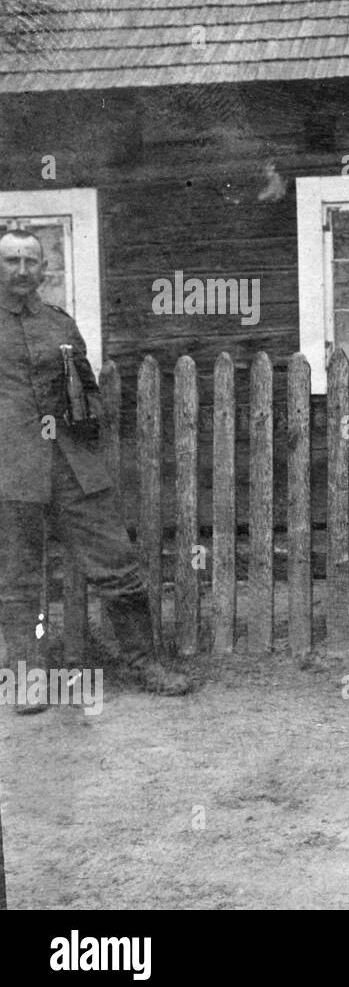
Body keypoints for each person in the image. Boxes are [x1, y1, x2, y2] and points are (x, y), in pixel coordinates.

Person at [0, 229, 192, 710]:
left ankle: (146, 663)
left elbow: (85, 394)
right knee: (19, 579)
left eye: (30, 261)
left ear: (44, 270)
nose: (21, 270)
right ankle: (27, 679)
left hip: (70, 464)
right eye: (10, 261)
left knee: (118, 565)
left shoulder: (61, 325)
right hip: (9, 465)